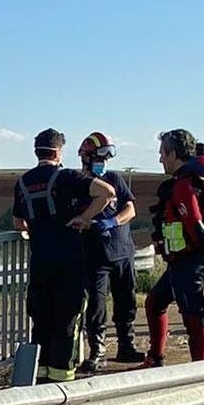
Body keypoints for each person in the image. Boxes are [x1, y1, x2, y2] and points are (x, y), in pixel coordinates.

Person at [13, 128, 115, 382]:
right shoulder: (65, 177)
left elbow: (18, 223)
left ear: (36, 151)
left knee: (41, 322)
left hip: (39, 263)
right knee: (66, 322)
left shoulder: (23, 182)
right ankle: (62, 382)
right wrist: (84, 217)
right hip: (69, 262)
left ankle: (39, 379)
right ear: (59, 152)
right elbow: (107, 193)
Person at [143, 129, 204, 367]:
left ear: (174, 154)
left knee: (194, 320)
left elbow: (194, 223)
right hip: (200, 257)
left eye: (163, 153)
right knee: (155, 302)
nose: (160, 159)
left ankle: (199, 377)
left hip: (190, 261)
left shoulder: (184, 184)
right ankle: (158, 357)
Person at [75, 131, 143, 373]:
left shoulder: (114, 179)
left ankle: (127, 345)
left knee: (127, 301)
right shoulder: (78, 185)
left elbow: (130, 209)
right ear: (86, 157)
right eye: (99, 158)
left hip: (122, 251)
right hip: (95, 256)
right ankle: (97, 351)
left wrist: (112, 222)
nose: (103, 164)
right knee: (96, 306)